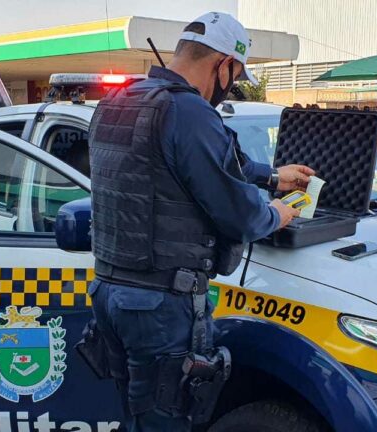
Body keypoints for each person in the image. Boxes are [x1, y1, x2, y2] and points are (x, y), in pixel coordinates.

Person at [87, 12, 314, 431]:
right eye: (235, 75)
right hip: (161, 307)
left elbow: (178, 168)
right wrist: (277, 212)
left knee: (137, 416)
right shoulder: (188, 111)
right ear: (223, 64)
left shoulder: (120, 101)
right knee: (167, 422)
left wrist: (273, 176)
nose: (230, 85)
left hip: (110, 294)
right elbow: (242, 216)